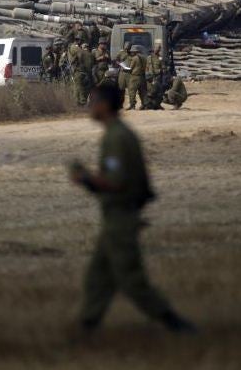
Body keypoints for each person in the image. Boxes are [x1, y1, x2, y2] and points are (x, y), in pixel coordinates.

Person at [68, 84, 196, 333]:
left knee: (130, 279)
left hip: (121, 217)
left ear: (105, 106)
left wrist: (85, 178)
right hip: (117, 216)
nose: (89, 107)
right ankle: (87, 326)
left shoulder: (116, 138)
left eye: (93, 102)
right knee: (98, 277)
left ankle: (176, 324)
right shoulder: (118, 133)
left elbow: (116, 183)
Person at [126, 45, 147, 110]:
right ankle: (144, 104)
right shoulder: (144, 57)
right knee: (143, 92)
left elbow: (130, 68)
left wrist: (125, 68)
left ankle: (132, 105)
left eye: (132, 51)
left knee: (132, 91)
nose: (131, 53)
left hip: (135, 77)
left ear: (135, 52)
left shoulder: (134, 58)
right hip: (142, 77)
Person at [145, 45, 165, 110]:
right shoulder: (149, 58)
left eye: (158, 49)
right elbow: (146, 67)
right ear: (153, 49)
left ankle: (157, 105)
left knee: (158, 92)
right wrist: (147, 74)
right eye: (156, 49)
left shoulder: (160, 58)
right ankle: (148, 105)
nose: (157, 50)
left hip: (157, 77)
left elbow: (163, 67)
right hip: (150, 77)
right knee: (149, 91)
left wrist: (161, 70)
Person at [115, 42, 133, 107]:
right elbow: (116, 60)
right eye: (126, 47)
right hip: (122, 73)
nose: (127, 48)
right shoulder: (120, 53)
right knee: (121, 89)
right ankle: (120, 104)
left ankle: (132, 104)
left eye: (128, 47)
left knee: (131, 89)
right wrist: (120, 64)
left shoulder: (132, 53)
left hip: (130, 73)